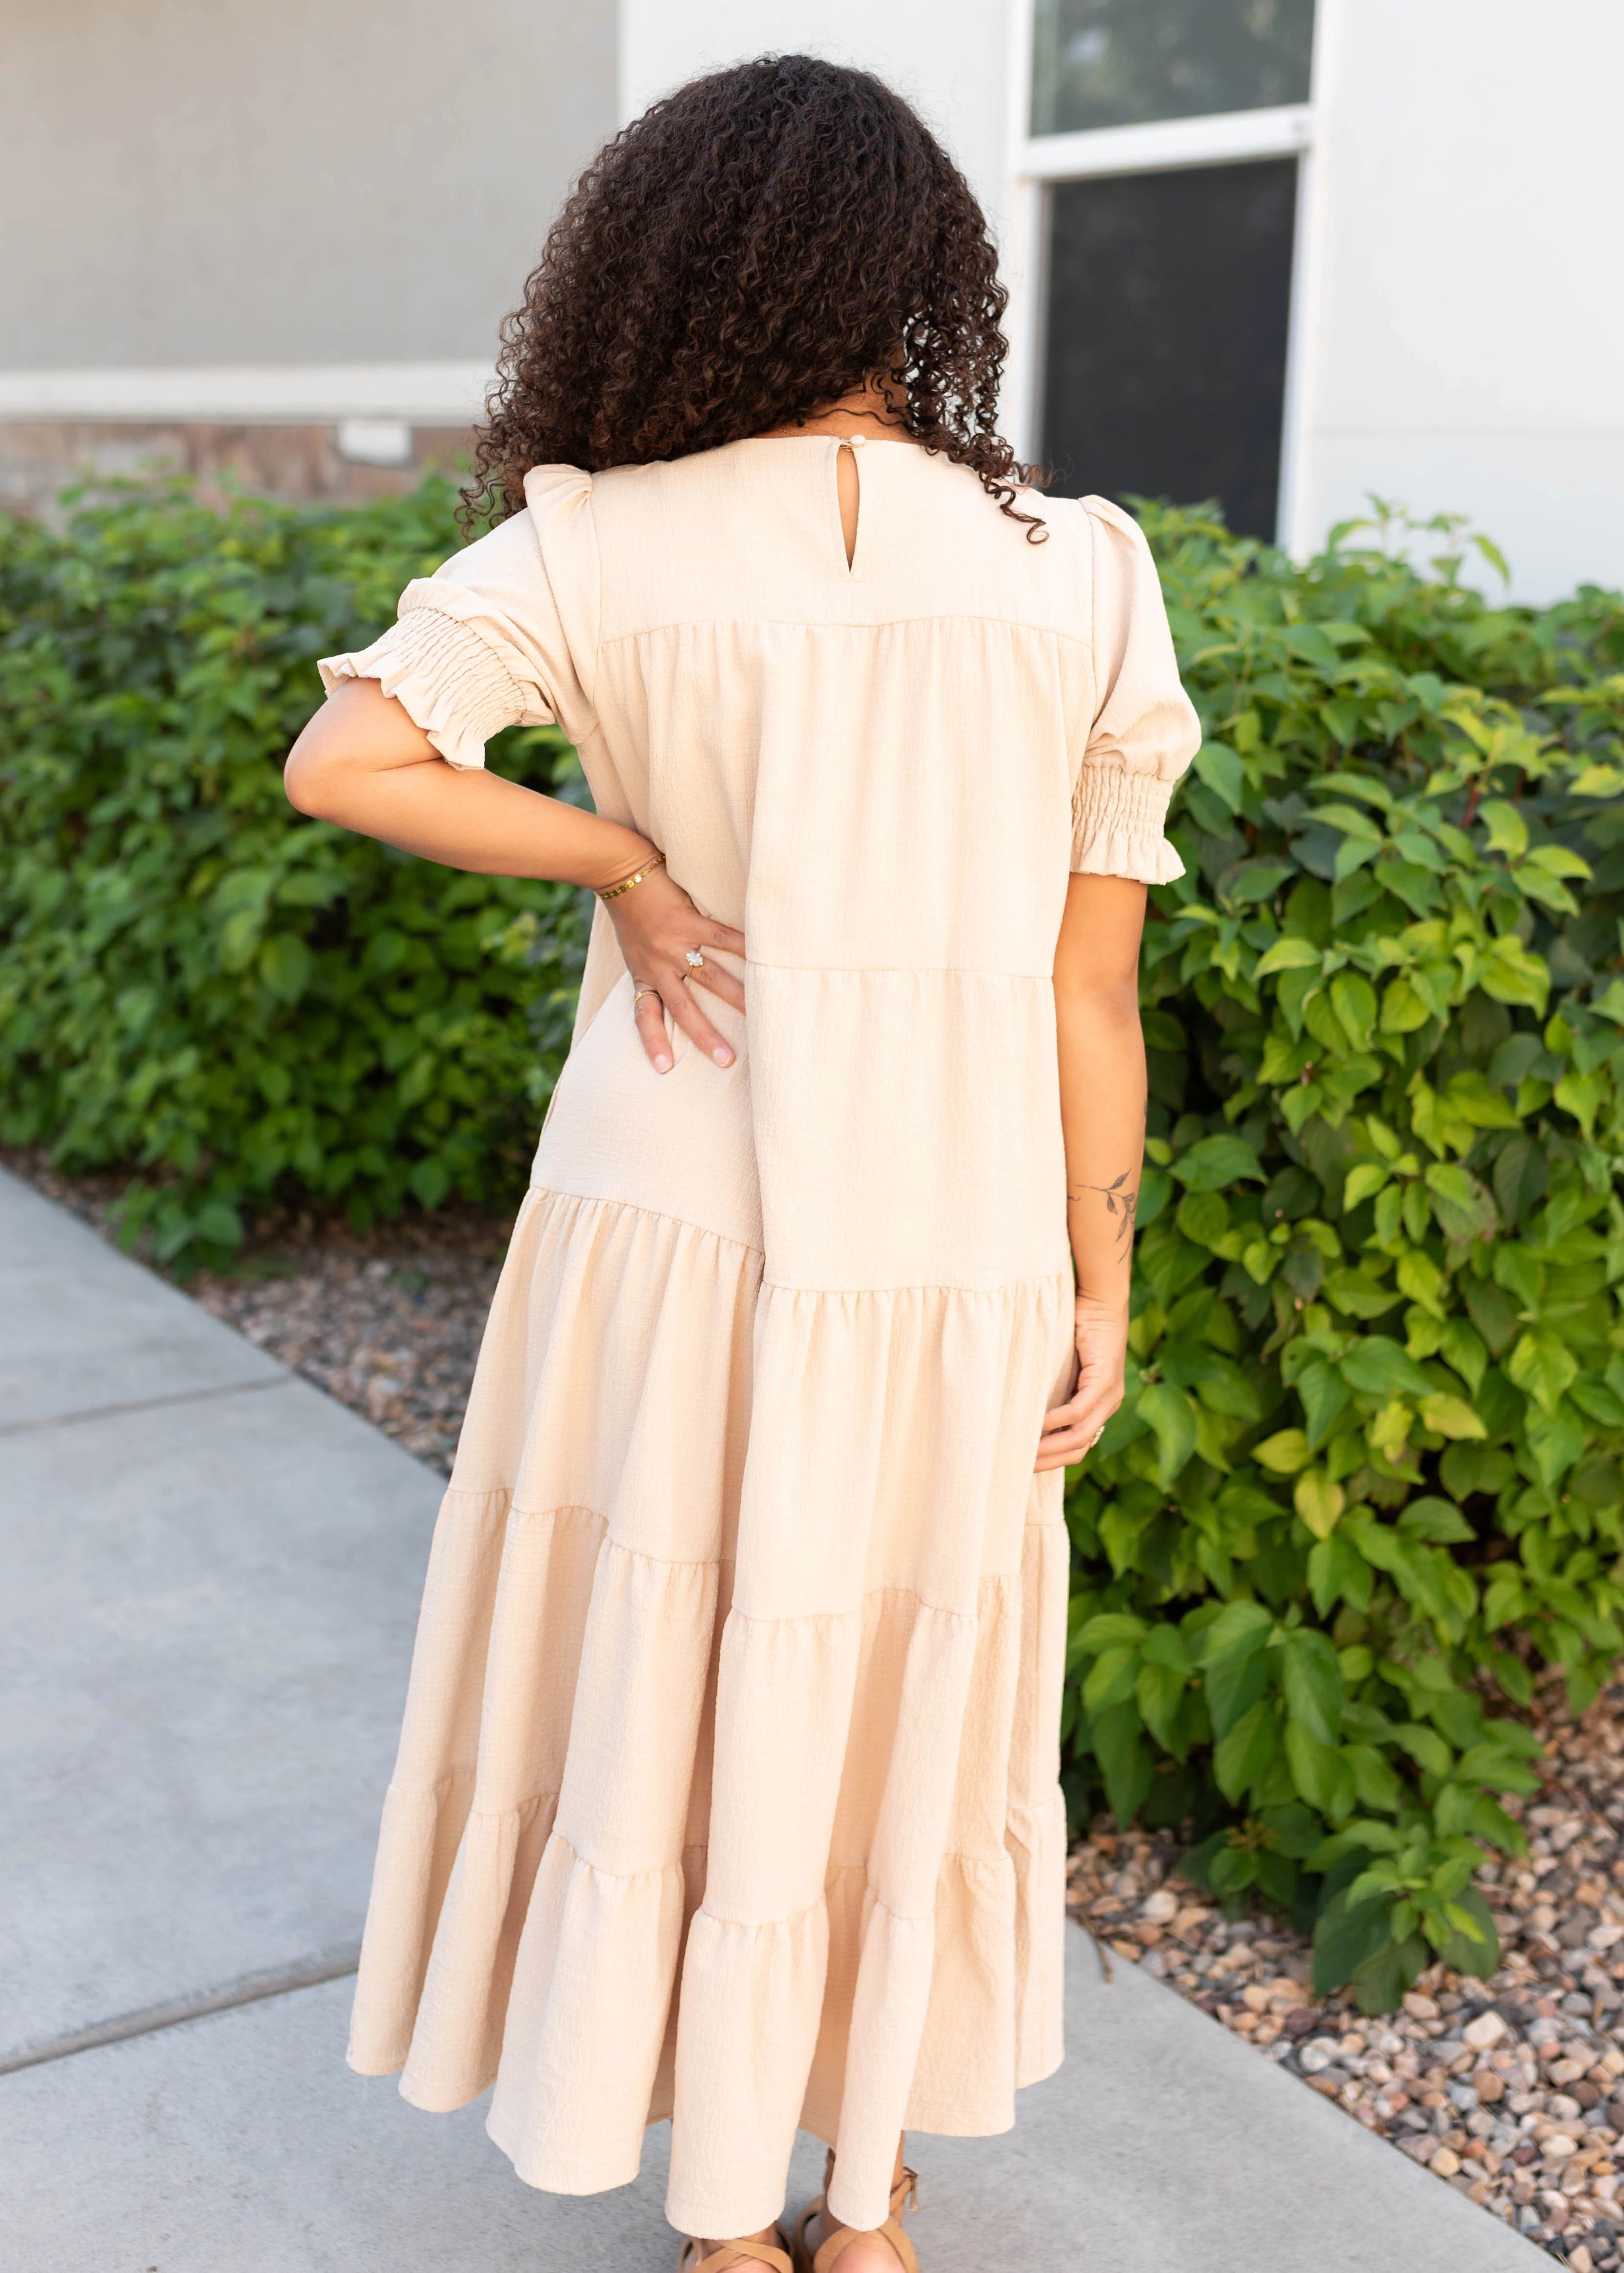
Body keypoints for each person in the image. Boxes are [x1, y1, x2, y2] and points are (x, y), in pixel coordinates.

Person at [284, 51, 1198, 2273]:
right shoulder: (1082, 569)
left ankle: (713, 2226)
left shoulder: (594, 537)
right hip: (957, 1229)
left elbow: (349, 762)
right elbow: (1091, 994)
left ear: (666, 267)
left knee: (672, 1673)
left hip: (667, 1209)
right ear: (925, 282)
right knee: (903, 1685)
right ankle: (859, 2207)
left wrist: (620, 855)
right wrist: (1099, 1281)